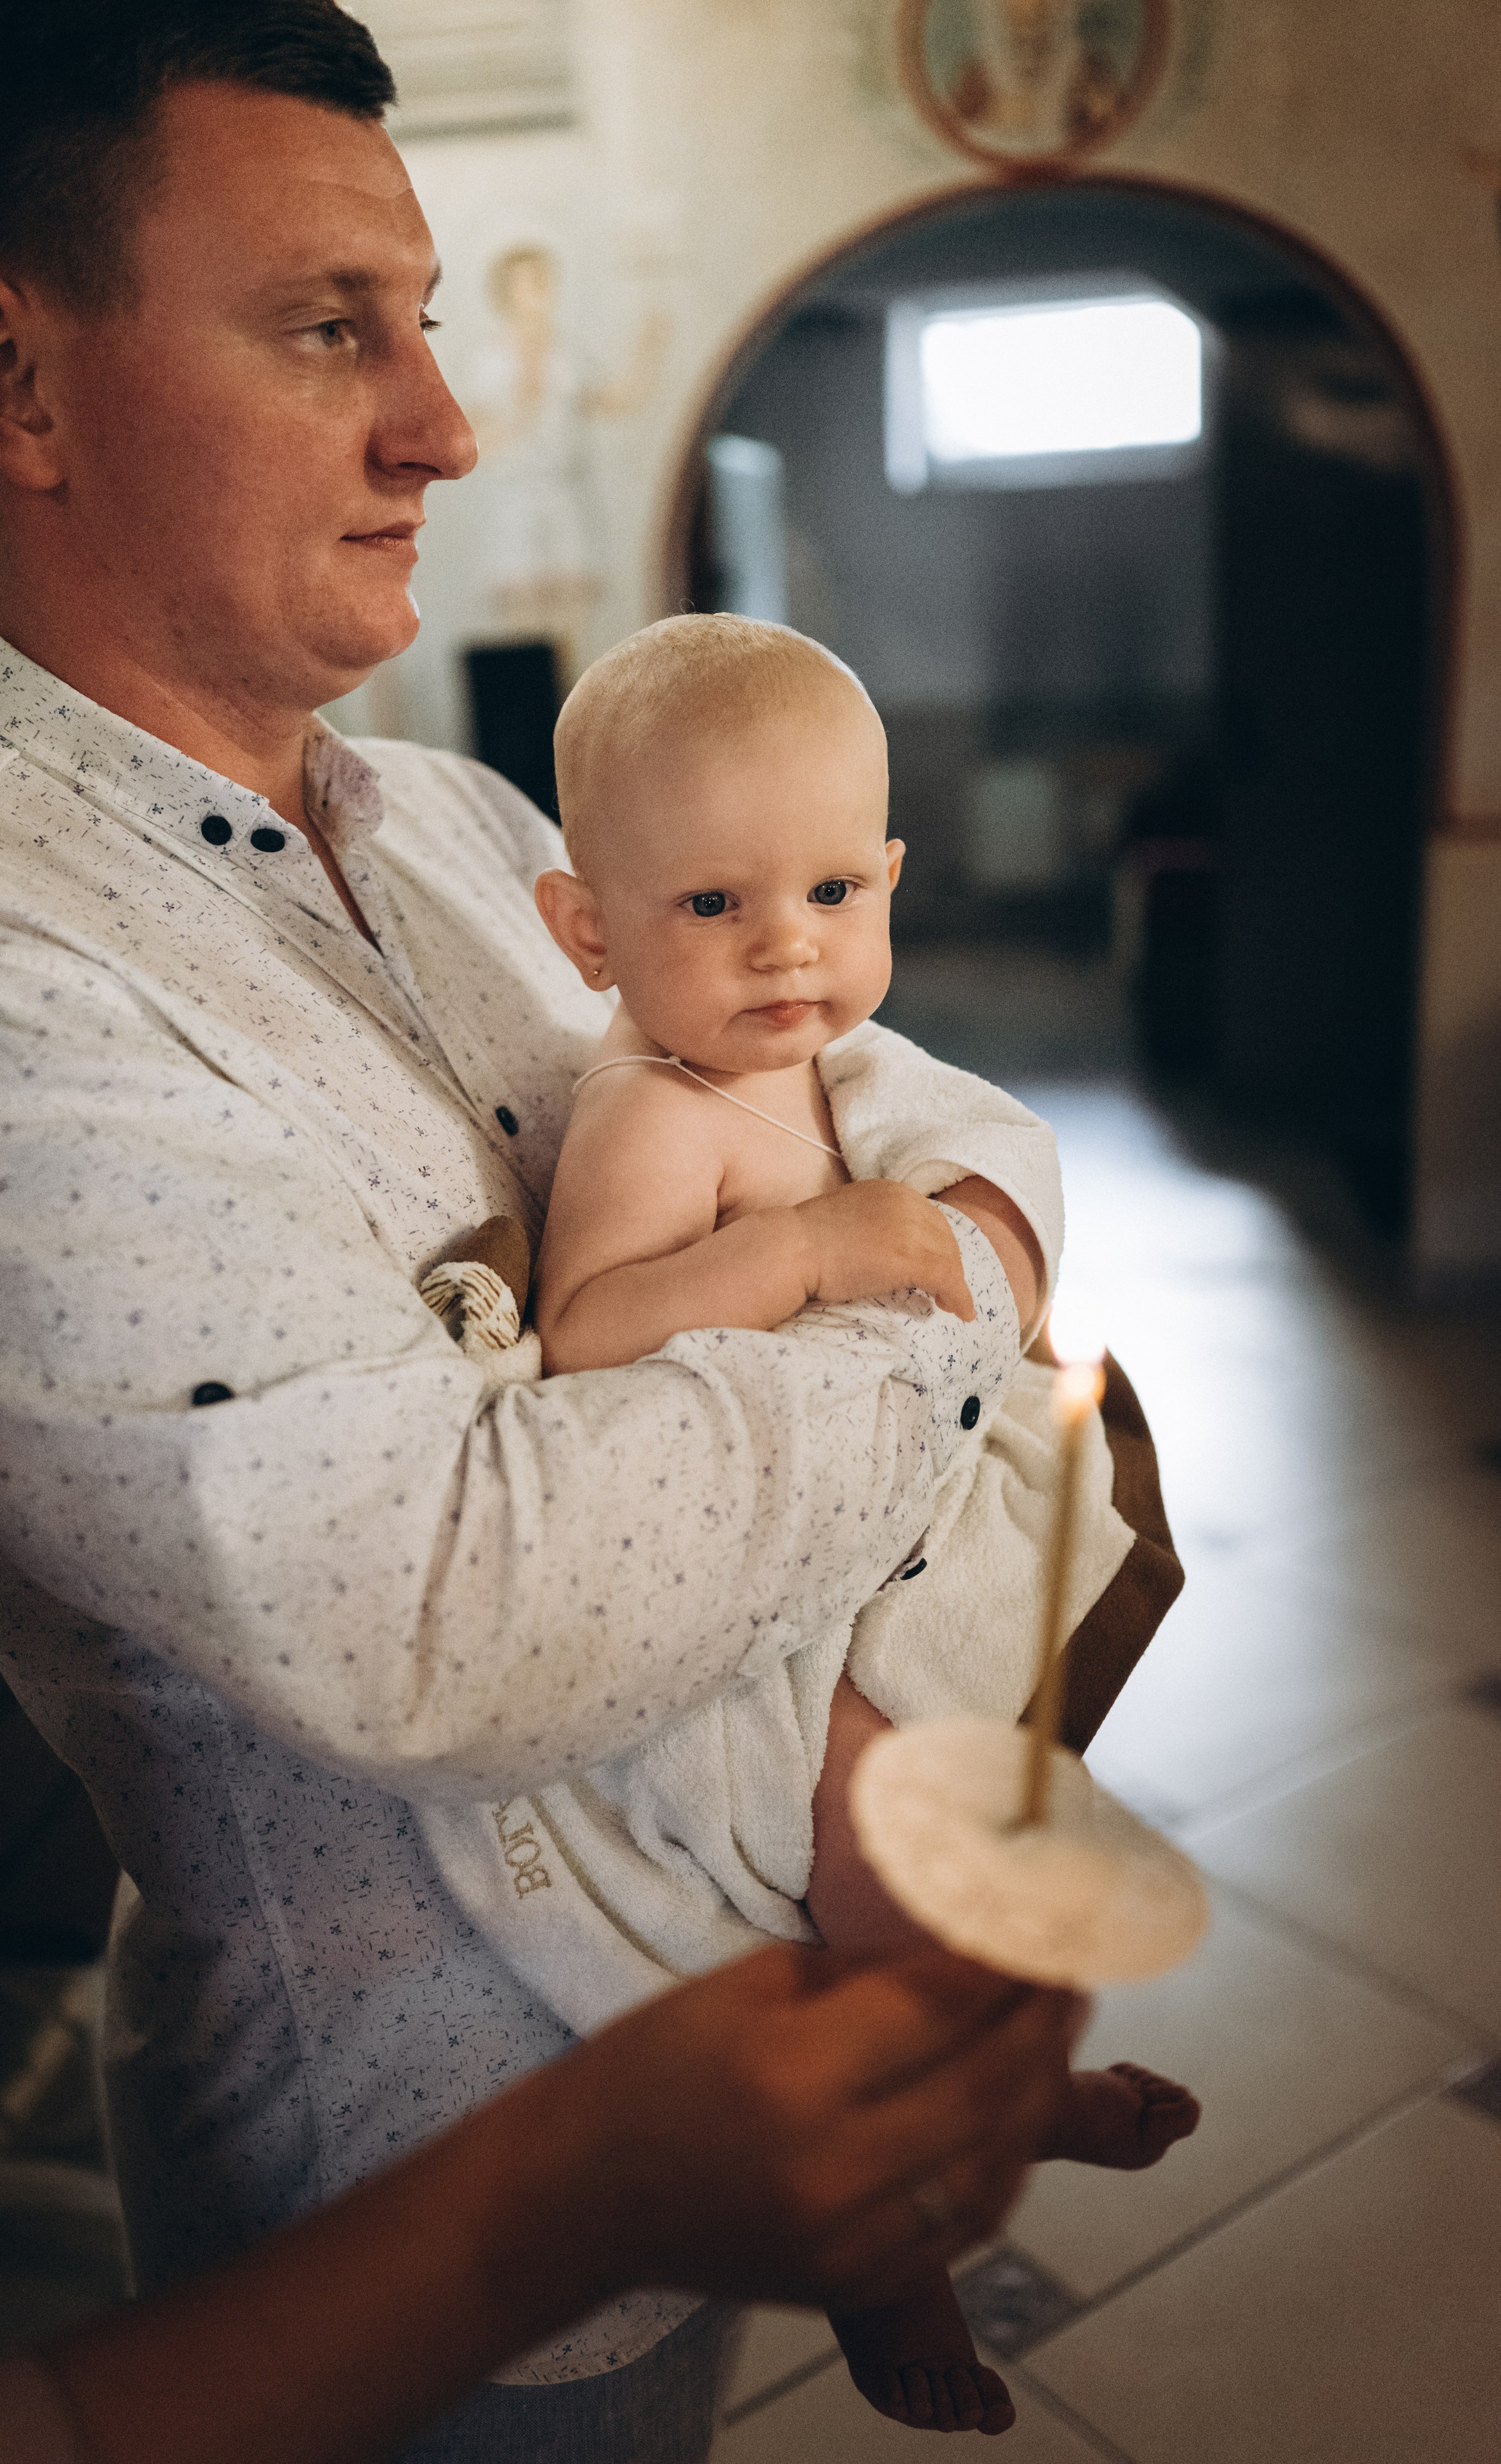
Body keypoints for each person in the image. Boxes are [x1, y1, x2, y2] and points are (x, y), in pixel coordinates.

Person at [0, 3, 1176, 2453]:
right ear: (12, 379)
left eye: (425, 318)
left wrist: (954, 1235)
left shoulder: (468, 824)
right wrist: (926, 1297)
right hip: (414, 2158)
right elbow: (464, 1608)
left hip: (723, 2016)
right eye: (326, 325)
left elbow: (924, 1095)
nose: (442, 421)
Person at [418, 614, 1198, 2434]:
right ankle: (891, 2237)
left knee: (1004, 1836)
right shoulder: (652, 1110)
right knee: (878, 1850)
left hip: (869, 1532)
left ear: (891, 878)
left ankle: (993, 2068)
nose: (788, 942)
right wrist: (808, 1249)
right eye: (711, 906)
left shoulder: (812, 1058)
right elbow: (589, 1331)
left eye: (835, 887)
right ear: (585, 930)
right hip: (752, 1609)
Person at [0, 1559, 1086, 2463]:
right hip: (395, 2108)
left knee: (864, 1776)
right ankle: (905, 2202)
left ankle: (954, 2101)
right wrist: (565, 2202)